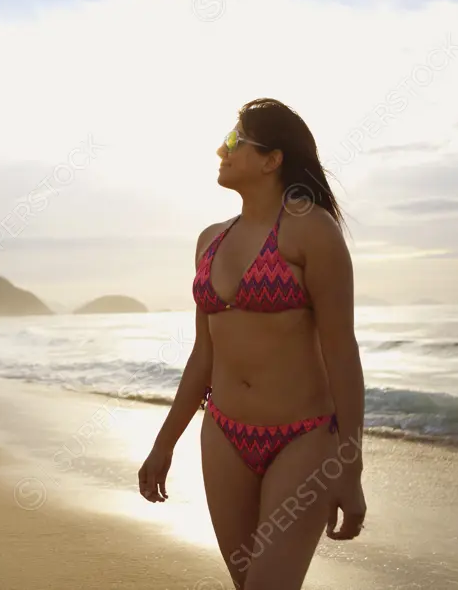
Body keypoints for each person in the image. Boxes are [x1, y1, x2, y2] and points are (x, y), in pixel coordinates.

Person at [138, 98, 366, 590]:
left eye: (236, 140)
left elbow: (342, 353)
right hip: (223, 435)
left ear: (271, 159)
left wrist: (351, 462)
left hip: (302, 438)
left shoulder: (312, 231)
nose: (222, 149)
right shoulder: (209, 240)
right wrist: (163, 443)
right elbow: (203, 356)